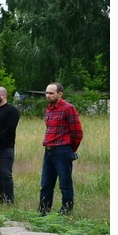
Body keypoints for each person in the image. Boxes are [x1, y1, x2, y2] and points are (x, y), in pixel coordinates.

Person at [39, 82, 83, 215]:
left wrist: (70, 149)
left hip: (62, 150)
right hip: (49, 150)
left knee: (65, 184)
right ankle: (43, 211)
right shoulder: (49, 109)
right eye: (46, 93)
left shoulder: (68, 108)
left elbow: (77, 133)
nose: (48, 95)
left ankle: (66, 212)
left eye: (51, 93)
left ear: (60, 94)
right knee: (46, 184)